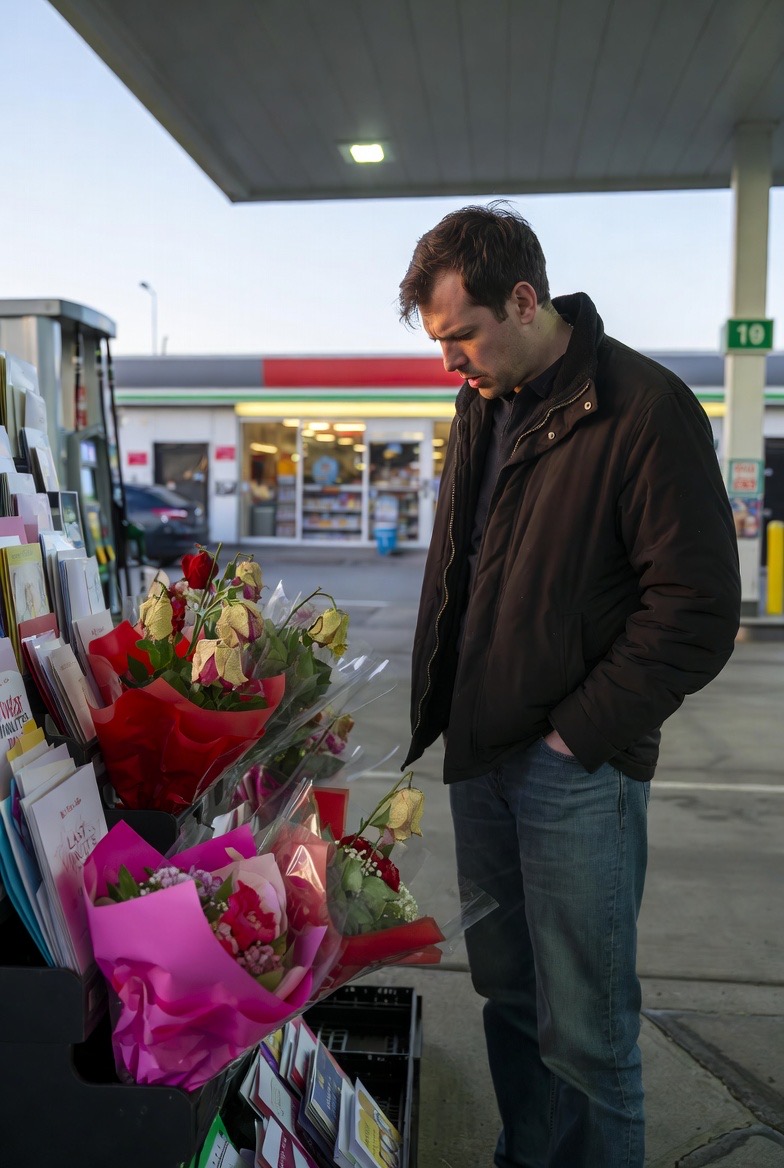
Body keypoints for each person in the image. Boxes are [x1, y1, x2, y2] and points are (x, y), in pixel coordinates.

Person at [398, 203, 741, 1168]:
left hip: (573, 773)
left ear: (523, 298)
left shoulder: (643, 406)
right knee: (508, 998)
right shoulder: (483, 404)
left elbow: (698, 612)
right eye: (438, 341)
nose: (449, 361)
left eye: (460, 334)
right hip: (485, 759)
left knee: (587, 1032)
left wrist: (575, 736)